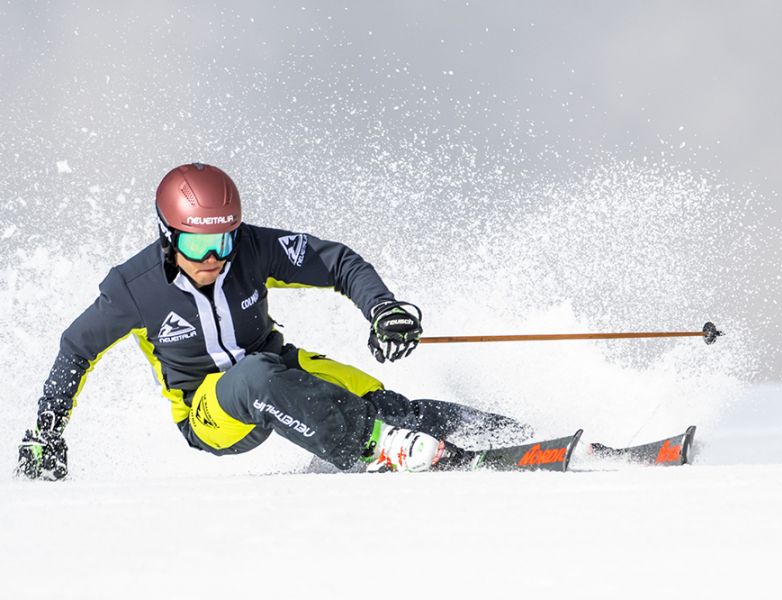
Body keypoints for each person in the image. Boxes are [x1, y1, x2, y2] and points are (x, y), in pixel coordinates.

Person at [16, 163, 530, 481]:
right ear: (168, 235)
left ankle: (514, 437)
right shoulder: (134, 288)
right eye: (197, 244)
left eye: (225, 240)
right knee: (253, 380)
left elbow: (338, 262)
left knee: (389, 404)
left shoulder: (254, 250)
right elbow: (75, 349)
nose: (213, 257)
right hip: (210, 412)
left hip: (278, 367)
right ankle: (376, 446)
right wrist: (47, 432)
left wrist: (383, 309)